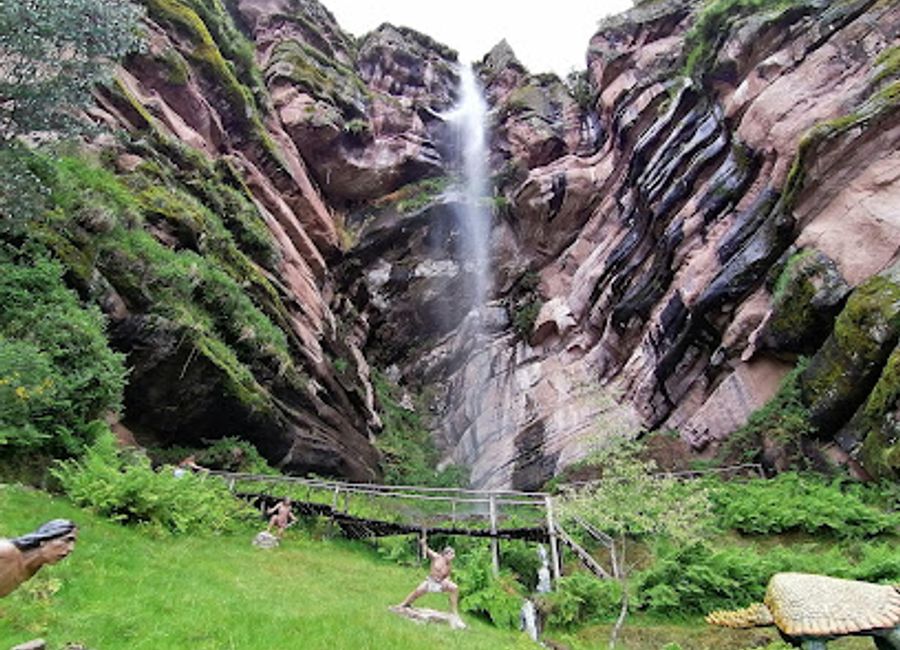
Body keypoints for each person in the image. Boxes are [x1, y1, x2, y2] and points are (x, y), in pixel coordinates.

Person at [0, 519, 78, 598]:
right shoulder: (6, 551)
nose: (71, 548)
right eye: (66, 540)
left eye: (73, 543)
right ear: (44, 540)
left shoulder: (32, 568)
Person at [397, 538, 460, 619]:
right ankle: (404, 604)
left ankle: (454, 611)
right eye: (451, 554)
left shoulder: (449, 564)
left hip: (440, 584)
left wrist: (447, 580)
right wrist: (423, 543)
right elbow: (427, 550)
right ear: (445, 554)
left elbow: (448, 575)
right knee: (417, 592)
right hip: (430, 582)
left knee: (455, 588)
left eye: (453, 555)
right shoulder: (436, 557)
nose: (453, 557)